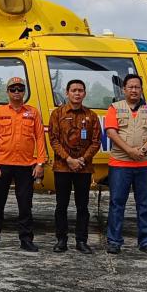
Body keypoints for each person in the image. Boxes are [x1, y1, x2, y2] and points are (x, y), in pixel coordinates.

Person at [0, 76, 47, 252]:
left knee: (25, 204)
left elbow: (40, 139)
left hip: (26, 165)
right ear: (8, 92)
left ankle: (26, 239)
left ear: (24, 92)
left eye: (20, 89)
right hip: (3, 165)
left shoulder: (33, 112)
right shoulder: (0, 112)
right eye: (13, 89)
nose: (17, 92)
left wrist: (40, 163)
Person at [104, 74, 147, 255]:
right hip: (120, 163)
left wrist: (143, 150)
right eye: (130, 87)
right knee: (116, 203)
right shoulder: (115, 108)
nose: (134, 90)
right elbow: (111, 132)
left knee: (144, 204)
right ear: (124, 89)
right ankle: (114, 241)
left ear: (141, 89)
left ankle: (146, 241)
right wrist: (129, 150)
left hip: (145, 164)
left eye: (137, 87)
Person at [47, 79, 101, 254]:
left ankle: (81, 240)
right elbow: (53, 140)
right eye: (74, 90)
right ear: (67, 92)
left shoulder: (91, 116)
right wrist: (68, 159)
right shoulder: (57, 114)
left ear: (85, 93)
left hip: (83, 168)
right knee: (61, 206)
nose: (77, 93)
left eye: (80, 90)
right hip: (62, 167)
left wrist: (82, 160)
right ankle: (61, 240)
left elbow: (96, 141)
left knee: (82, 207)